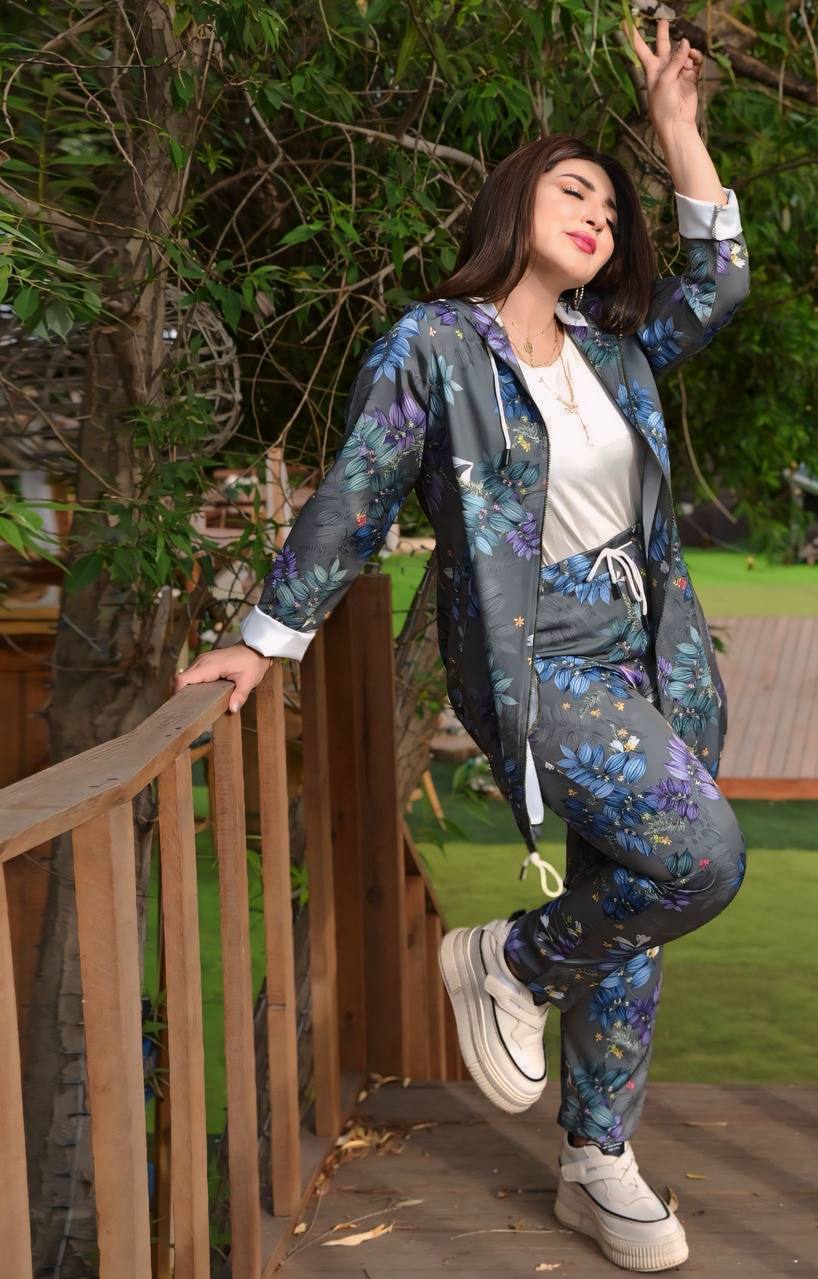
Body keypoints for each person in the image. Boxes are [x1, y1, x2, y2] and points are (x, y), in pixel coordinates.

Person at [175, 17, 749, 1272]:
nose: (598, 215)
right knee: (702, 859)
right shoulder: (432, 345)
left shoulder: (613, 348)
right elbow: (356, 493)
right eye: (573, 190)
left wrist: (675, 129)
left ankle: (597, 1161)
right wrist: (263, 639)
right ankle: (506, 962)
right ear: (512, 202)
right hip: (538, 658)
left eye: (612, 207)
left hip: (654, 661)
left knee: (631, 900)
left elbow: (718, 284)